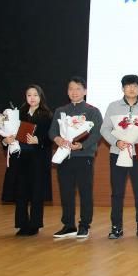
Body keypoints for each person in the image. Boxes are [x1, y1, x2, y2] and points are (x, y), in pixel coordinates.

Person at [100, 74, 138, 240]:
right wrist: (116, 142)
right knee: (117, 192)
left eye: (135, 86)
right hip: (118, 153)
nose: (132, 89)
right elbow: (104, 129)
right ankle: (116, 227)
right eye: (128, 86)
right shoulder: (113, 106)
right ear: (122, 88)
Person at [48, 76, 103, 239]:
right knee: (66, 192)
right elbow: (52, 131)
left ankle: (84, 225)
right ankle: (68, 225)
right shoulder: (61, 110)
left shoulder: (92, 111)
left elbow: (97, 133)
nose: (74, 92)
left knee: (85, 191)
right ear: (67, 92)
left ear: (85, 91)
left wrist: (82, 145)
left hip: (84, 156)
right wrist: (57, 139)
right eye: (71, 89)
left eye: (78, 88)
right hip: (64, 156)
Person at [0, 84, 53, 236]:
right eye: (29, 95)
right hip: (20, 159)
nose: (32, 98)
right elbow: (8, 133)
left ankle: (35, 225)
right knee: (20, 192)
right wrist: (5, 141)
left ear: (41, 97)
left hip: (37, 160)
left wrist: (39, 140)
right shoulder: (18, 114)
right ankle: (22, 224)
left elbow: (51, 137)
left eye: (35, 95)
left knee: (36, 193)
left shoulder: (48, 115)